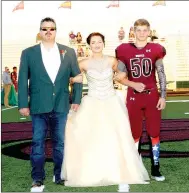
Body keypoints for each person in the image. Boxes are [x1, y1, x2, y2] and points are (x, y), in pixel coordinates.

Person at [61, 32, 150, 192]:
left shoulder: (112, 60)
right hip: (92, 102)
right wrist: (73, 79)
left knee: (117, 136)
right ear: (89, 45)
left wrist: (128, 80)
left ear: (103, 43)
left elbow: (123, 73)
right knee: (92, 137)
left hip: (111, 102)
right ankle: (92, 172)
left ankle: (121, 173)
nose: (97, 45)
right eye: (93, 42)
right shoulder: (82, 63)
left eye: (99, 41)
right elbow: (69, 77)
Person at [18, 17, 82, 192]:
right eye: (44, 29)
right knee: (37, 143)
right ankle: (37, 178)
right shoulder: (28, 53)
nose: (48, 32)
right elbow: (23, 80)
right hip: (38, 106)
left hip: (61, 105)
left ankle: (59, 174)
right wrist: (23, 103)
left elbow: (77, 77)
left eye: (51, 29)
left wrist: (76, 99)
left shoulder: (68, 51)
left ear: (56, 31)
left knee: (60, 143)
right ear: (40, 32)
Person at [115, 18, 167, 182]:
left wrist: (163, 96)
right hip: (133, 96)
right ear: (133, 31)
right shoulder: (124, 50)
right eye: (139, 30)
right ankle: (135, 167)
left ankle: (155, 167)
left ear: (149, 32)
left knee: (154, 132)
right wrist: (133, 84)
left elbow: (161, 74)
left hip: (152, 96)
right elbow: (119, 76)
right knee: (134, 133)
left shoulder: (156, 49)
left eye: (145, 30)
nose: (142, 33)